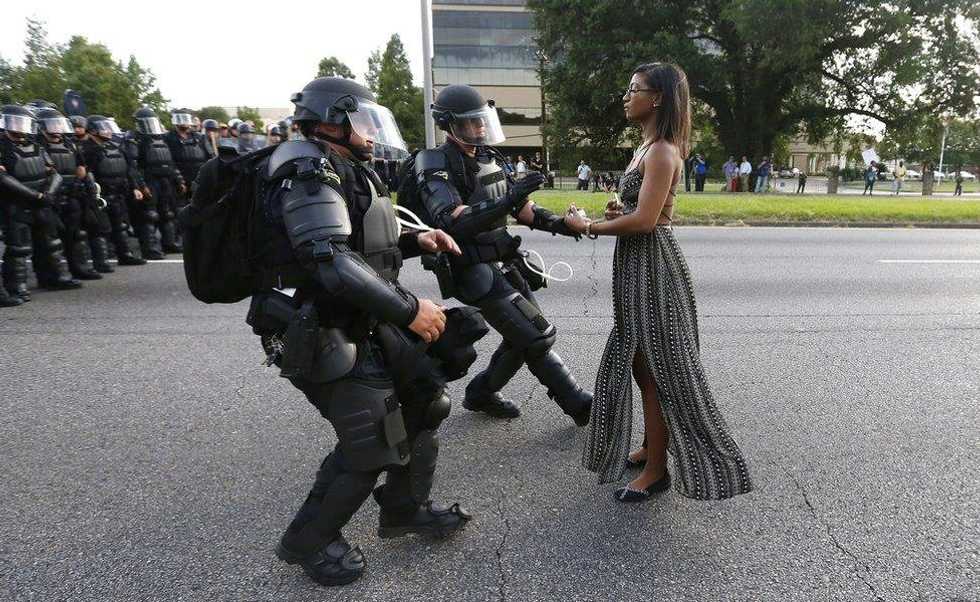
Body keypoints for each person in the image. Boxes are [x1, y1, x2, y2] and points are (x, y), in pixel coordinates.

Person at [196, 77, 476, 586]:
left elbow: (358, 243)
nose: (371, 131)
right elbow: (329, 259)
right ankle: (308, 540)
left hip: (358, 316)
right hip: (317, 325)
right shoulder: (305, 169)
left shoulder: (339, 164)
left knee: (425, 400)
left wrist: (417, 241)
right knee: (371, 439)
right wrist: (410, 310)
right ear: (331, 121)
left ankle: (403, 508)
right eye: (362, 120)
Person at [570, 63, 753, 503]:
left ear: (657, 99)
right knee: (640, 363)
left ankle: (656, 471)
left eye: (634, 89)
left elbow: (648, 221)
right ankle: (652, 447)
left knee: (656, 369)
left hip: (654, 265)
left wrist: (589, 226)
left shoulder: (662, 151)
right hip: (636, 263)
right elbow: (638, 211)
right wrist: (618, 211)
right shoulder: (645, 148)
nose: (626, 96)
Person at [409, 84, 593, 425]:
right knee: (536, 335)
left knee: (523, 336)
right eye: (471, 121)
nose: (480, 127)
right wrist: (508, 199)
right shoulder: (434, 161)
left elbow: (523, 209)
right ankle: (579, 404)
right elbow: (451, 220)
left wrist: (564, 225)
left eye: (482, 119)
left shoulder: (489, 157)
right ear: (449, 124)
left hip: (504, 261)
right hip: (470, 267)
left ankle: (480, 393)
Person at [0, 104, 83, 300]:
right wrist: (34, 195)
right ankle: (17, 286)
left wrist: (48, 194)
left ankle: (55, 277)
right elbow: (3, 178)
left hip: (42, 202)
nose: (19, 127)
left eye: (22, 122)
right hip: (16, 203)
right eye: (15, 122)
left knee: (51, 242)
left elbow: (54, 173)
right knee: (19, 248)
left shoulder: (37, 146)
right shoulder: (3, 147)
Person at [36, 107, 102, 280]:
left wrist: (85, 189)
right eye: (52, 125)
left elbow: (81, 168)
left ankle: (78, 268)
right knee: (50, 239)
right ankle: (51, 275)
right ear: (42, 127)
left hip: (71, 194)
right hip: (49, 197)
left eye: (58, 124)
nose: (57, 128)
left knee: (75, 235)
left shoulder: (69, 143)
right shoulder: (38, 145)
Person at [82, 115, 147, 267]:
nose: (108, 131)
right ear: (93, 130)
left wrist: (135, 187)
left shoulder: (116, 147)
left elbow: (128, 169)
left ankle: (125, 255)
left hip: (118, 193)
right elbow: (85, 174)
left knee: (121, 226)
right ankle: (101, 261)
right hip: (99, 195)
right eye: (103, 128)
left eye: (108, 127)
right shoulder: (86, 150)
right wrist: (92, 194)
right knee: (100, 229)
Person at [130, 107, 186, 257]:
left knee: (167, 213)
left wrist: (179, 180)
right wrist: (141, 186)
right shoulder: (135, 141)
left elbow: (170, 163)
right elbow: (133, 167)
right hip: (150, 181)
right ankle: (150, 248)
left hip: (166, 181)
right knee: (150, 215)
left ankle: (169, 243)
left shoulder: (162, 139)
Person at [164, 110, 210, 196]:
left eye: (185, 119)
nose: (184, 122)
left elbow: (210, 157)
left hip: (199, 179)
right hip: (179, 181)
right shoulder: (167, 138)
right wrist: (179, 180)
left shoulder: (200, 137)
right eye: (181, 119)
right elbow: (168, 161)